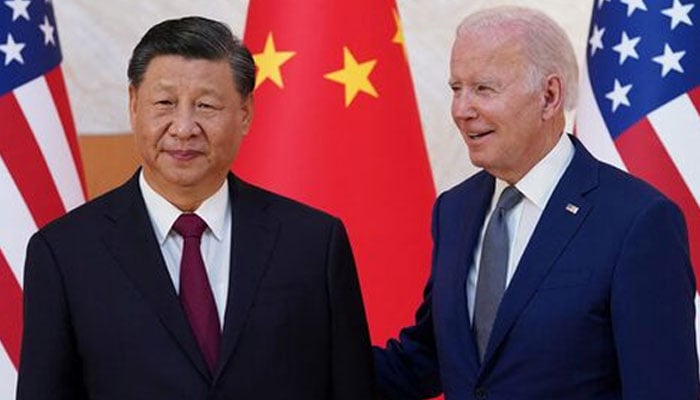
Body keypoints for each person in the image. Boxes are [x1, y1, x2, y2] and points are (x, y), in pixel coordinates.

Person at [17, 16, 375, 400]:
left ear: (245, 113)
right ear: (134, 104)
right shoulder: (64, 252)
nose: (184, 127)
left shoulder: (313, 244)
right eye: (165, 103)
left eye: (206, 105)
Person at [374, 6, 698, 400]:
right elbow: (427, 358)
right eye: (456, 88)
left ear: (549, 96)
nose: (461, 110)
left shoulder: (637, 221)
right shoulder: (454, 210)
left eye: (484, 89)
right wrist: (299, 351)